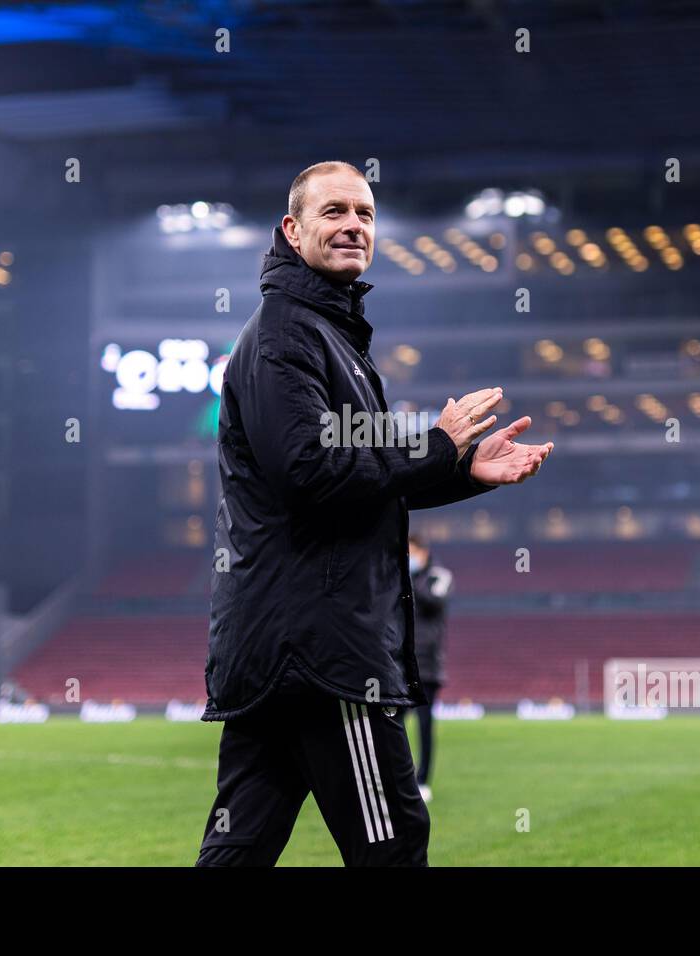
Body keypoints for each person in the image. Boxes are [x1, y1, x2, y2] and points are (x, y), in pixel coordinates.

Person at [195, 160, 553, 867]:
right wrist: (434, 446)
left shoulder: (330, 336)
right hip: (324, 654)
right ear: (292, 231)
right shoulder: (286, 335)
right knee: (392, 842)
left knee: (239, 851)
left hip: (280, 649)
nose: (354, 225)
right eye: (334, 212)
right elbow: (308, 472)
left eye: (364, 213)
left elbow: (362, 481)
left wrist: (460, 468)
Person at [402, 533, 452, 803]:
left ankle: (423, 780)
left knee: (424, 724)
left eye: (410, 554)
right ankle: (398, 778)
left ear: (422, 552)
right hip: (400, 663)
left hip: (428, 666)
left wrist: (409, 579)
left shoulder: (439, 575)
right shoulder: (401, 576)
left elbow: (434, 601)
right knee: (393, 723)